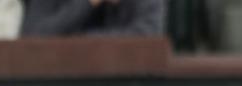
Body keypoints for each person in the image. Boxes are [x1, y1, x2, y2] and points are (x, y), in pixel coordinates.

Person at [19, 0, 164, 36]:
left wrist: (81, 39)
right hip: (62, 82)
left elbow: (148, 33)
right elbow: (33, 35)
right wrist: (88, 3)